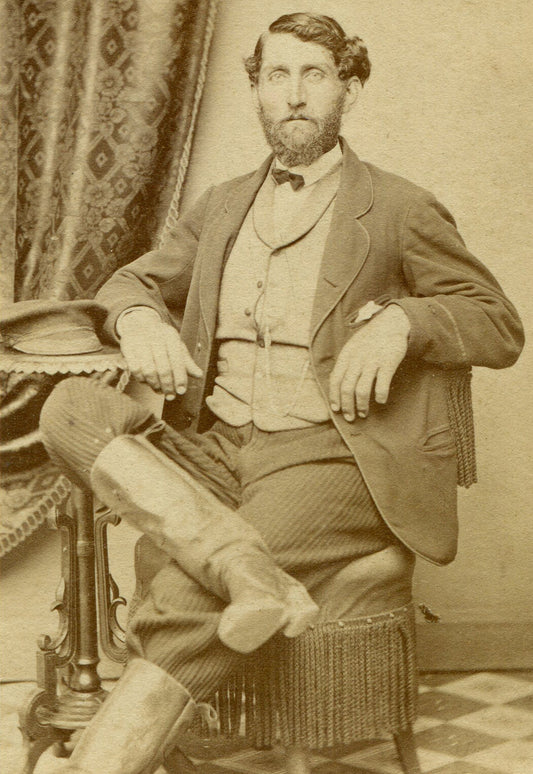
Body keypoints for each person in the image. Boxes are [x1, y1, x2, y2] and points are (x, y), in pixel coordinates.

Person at [39, 12, 524, 774]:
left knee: (181, 587)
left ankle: (97, 764)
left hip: (330, 458)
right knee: (69, 408)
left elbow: (497, 323)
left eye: (313, 75)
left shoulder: (398, 207)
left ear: (349, 89)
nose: (293, 95)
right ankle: (246, 571)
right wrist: (138, 318)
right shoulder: (223, 205)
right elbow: (132, 279)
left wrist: (404, 319)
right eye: (276, 76)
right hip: (218, 447)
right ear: (257, 92)